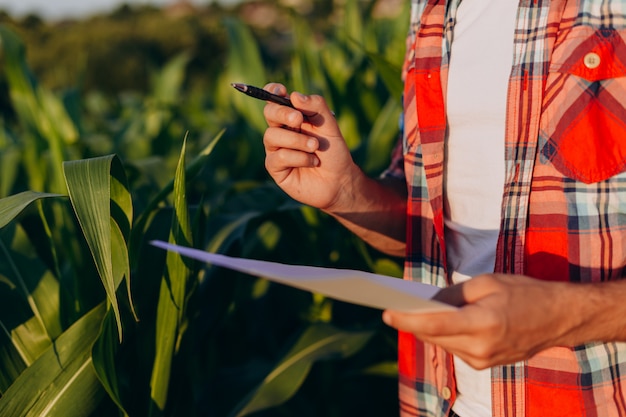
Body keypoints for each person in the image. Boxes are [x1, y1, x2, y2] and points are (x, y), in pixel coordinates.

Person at [261, 0, 626, 416]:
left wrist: (569, 315)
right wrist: (348, 194)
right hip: (442, 403)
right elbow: (427, 234)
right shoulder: (431, 10)